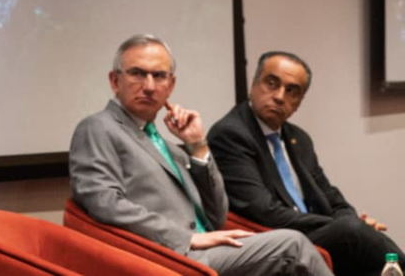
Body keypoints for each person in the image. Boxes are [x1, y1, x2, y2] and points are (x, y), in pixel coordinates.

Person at [69, 34, 330, 275]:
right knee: (292, 244)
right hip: (167, 256)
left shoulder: (169, 147)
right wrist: (187, 238)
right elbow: (104, 202)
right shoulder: (98, 127)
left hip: (206, 250)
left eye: (159, 76)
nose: (149, 86)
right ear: (115, 81)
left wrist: (197, 146)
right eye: (137, 73)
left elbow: (216, 216)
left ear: (170, 86)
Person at [209, 51, 402, 275]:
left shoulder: (298, 138)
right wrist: (342, 227)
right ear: (254, 84)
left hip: (309, 231)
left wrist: (352, 222)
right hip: (274, 239)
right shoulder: (231, 134)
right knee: (356, 234)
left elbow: (331, 197)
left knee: (362, 238)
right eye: (271, 83)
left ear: (299, 102)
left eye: (292, 91)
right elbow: (263, 211)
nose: (280, 96)